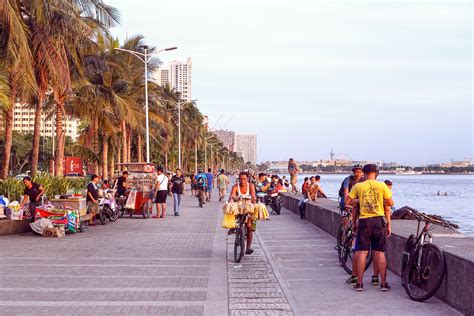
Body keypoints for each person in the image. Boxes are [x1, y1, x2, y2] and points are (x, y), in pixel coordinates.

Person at [345, 164, 394, 292]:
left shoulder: (359, 186)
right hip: (378, 221)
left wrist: (360, 201)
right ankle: (383, 284)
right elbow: (390, 203)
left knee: (362, 252)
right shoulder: (382, 186)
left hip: (364, 221)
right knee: (380, 252)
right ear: (376, 173)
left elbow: (347, 201)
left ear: (364, 173)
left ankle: (360, 284)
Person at [228, 171, 257, 255]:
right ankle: (232, 227)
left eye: (244, 179)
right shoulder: (235, 187)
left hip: (248, 207)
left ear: (247, 179)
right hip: (239, 207)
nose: (242, 181)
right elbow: (232, 196)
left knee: (250, 227)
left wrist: (254, 200)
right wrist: (231, 200)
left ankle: (248, 247)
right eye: (240, 179)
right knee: (230, 209)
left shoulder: (251, 186)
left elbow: (253, 195)